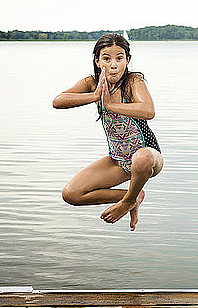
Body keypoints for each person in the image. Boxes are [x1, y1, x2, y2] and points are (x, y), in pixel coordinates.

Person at [53, 33, 163, 229]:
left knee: (142, 158)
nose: (113, 65)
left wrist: (111, 105)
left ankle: (128, 202)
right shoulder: (92, 82)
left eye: (119, 58)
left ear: (127, 61)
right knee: (71, 194)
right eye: (106, 58)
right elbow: (58, 101)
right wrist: (95, 96)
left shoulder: (133, 81)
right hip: (118, 159)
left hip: (149, 155)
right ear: (97, 61)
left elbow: (148, 111)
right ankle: (132, 197)